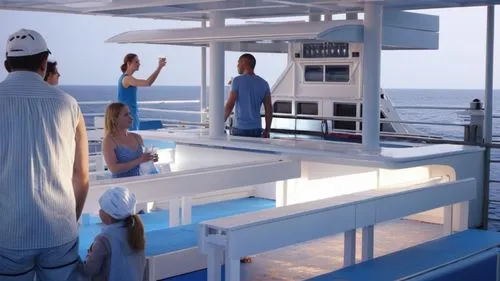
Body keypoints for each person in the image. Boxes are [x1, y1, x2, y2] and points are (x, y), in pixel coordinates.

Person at [0, 29, 89, 280]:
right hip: (59, 230)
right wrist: (70, 219)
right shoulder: (69, 104)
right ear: (43, 63)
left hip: (7, 233)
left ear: (6, 64)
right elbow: (81, 175)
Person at [79, 186, 146, 281]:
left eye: (101, 208)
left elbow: (89, 270)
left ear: (107, 214)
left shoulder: (104, 240)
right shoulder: (136, 232)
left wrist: (84, 257)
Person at [102, 102, 157, 178]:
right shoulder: (109, 141)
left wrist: (151, 159)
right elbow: (114, 169)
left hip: (141, 180)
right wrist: (140, 160)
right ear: (114, 119)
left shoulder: (137, 137)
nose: (131, 117)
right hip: (122, 183)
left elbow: (143, 161)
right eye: (126, 115)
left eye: (130, 114)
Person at [224, 53, 273, 138]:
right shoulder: (264, 83)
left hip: (239, 128)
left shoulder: (237, 81)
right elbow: (268, 109)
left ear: (244, 63)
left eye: (238, 62)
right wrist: (267, 130)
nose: (237, 65)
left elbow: (230, 105)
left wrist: (219, 123)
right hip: (256, 129)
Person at [118, 53, 166, 130]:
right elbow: (147, 83)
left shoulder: (126, 78)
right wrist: (159, 67)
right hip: (128, 116)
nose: (139, 64)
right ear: (129, 63)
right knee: (131, 139)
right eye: (136, 62)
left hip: (129, 114)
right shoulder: (127, 79)